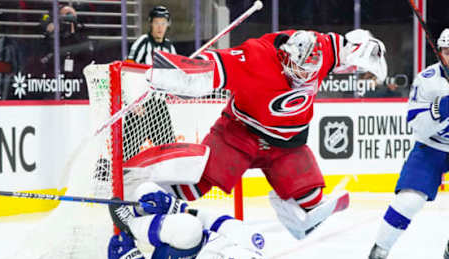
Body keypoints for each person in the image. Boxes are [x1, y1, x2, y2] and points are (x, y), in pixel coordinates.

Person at [159, 29, 387, 240]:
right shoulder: (256, 57)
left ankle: (286, 202)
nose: (305, 77)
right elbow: (212, 66)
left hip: (287, 144)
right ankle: (148, 198)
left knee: (312, 199)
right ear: (286, 58)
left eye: (311, 71)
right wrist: (171, 74)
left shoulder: (324, 49)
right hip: (240, 133)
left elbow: (352, 45)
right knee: (195, 186)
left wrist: (371, 50)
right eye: (300, 70)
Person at [366, 29, 449, 259]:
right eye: (447, 52)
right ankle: (380, 249)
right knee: (409, 199)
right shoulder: (427, 79)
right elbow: (416, 127)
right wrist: (440, 108)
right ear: (439, 52)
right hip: (431, 146)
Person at [107, 182, 265, 259]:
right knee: (146, 189)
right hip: (187, 239)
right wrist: (179, 209)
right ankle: (140, 219)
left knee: (190, 229)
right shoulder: (249, 239)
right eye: (224, 256)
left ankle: (130, 225)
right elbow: (213, 221)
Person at [123, 5, 176, 160]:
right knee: (129, 151)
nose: (160, 27)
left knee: (168, 149)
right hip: (140, 105)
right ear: (151, 24)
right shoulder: (141, 44)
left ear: (168, 24)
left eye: (163, 22)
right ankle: (122, 181)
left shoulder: (170, 48)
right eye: (156, 22)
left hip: (159, 106)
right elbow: (126, 73)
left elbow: (173, 78)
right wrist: (132, 102)